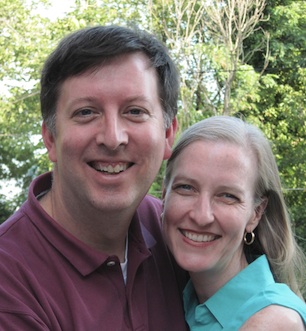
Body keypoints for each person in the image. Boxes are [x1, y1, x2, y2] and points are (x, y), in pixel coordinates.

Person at [0, 25, 189, 330]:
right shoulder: (9, 282)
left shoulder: (176, 227)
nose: (112, 138)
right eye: (86, 112)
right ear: (50, 138)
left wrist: (277, 312)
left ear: (168, 134)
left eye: (135, 111)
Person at [162, 115, 306, 330]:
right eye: (186, 188)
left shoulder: (272, 321)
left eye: (228, 196)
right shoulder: (183, 299)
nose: (202, 216)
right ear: (164, 195)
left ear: (256, 213)